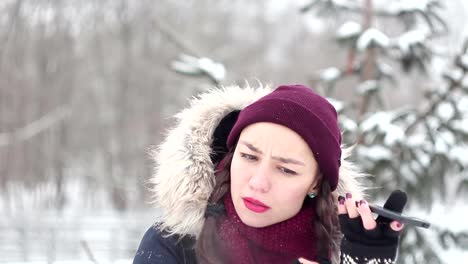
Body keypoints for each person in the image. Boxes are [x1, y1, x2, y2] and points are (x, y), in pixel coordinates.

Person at [133, 84, 407, 264]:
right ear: (230, 157)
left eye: (286, 169)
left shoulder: (334, 254)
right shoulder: (173, 244)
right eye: (249, 156)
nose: (258, 182)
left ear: (315, 182)